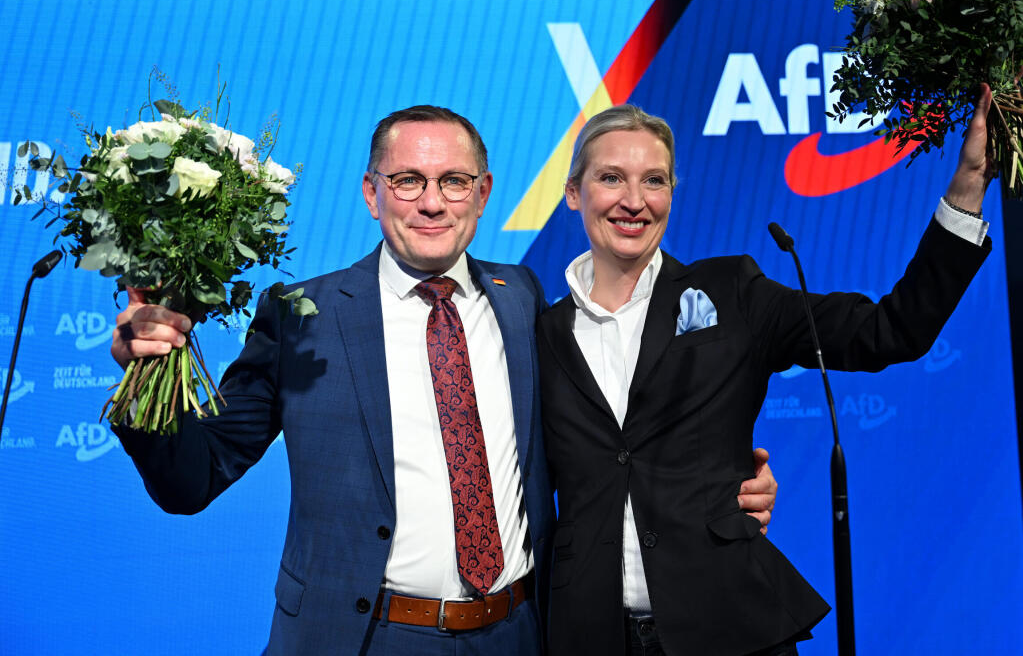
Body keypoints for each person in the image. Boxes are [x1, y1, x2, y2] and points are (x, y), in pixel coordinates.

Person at [109, 104, 781, 656]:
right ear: (371, 193)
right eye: (407, 181)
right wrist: (147, 376)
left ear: (482, 194)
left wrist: (714, 485)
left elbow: (600, 443)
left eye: (454, 181)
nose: (431, 203)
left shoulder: (522, 298)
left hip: (519, 634)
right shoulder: (300, 315)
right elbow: (191, 479)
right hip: (366, 639)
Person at [537, 89, 995, 656]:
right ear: (573, 193)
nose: (634, 200)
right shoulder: (538, 332)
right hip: (588, 635)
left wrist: (969, 184)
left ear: (672, 195)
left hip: (732, 624)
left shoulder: (735, 293)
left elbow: (889, 332)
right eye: (611, 178)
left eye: (654, 181)